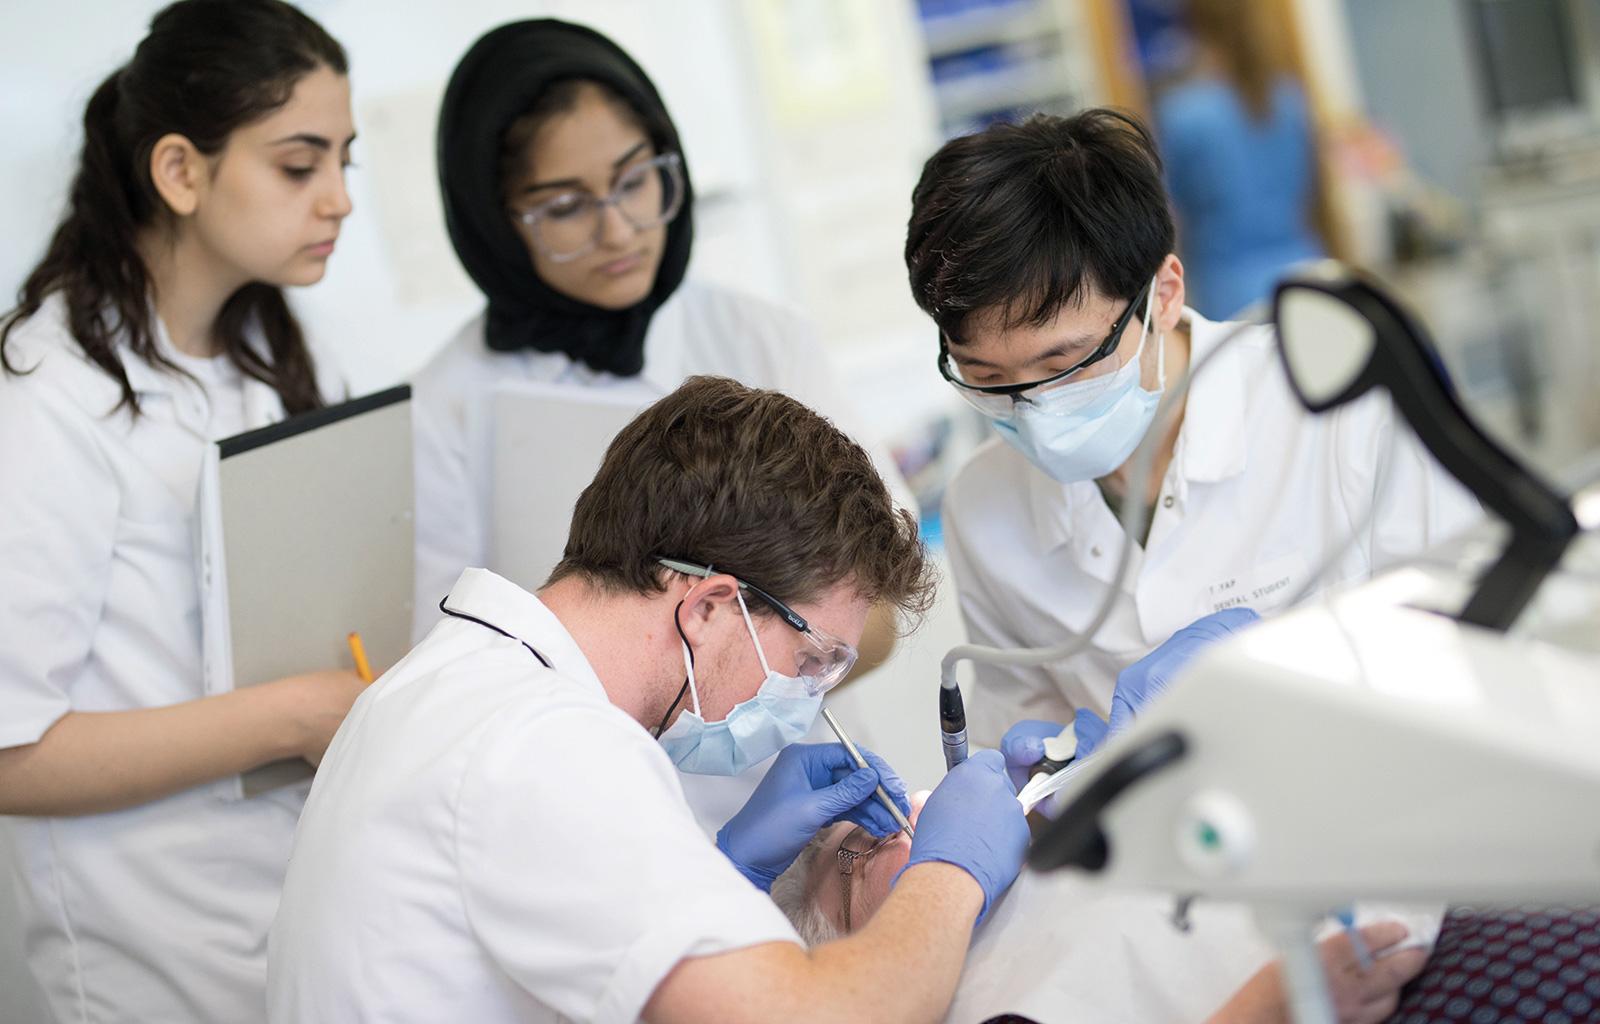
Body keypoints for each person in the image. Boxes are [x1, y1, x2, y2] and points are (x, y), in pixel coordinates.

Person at [267, 376, 1031, 1023]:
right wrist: (952, 872)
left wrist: (725, 879)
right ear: (707, 609)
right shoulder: (541, 745)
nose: (809, 698)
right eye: (810, 660)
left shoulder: (461, 685)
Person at [903, 108, 1480, 749]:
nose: (1034, 409)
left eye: (1064, 365)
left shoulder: (1343, 408)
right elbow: (1024, 731)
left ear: (1164, 294)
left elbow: (1483, 635)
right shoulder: (982, 504)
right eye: (987, 378)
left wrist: (1307, 662)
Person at [0, 2, 362, 1020]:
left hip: (310, 907)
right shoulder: (46, 393)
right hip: (155, 955)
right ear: (181, 172)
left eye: (346, 160)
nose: (338, 199)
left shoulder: (284, 350)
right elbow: (8, 751)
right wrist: (291, 715)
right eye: (300, 165)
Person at [413, 18, 911, 651]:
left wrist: (743, 702)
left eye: (634, 181)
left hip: (789, 740)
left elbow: (881, 603)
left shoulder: (763, 337)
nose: (619, 231)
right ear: (493, 219)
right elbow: (447, 657)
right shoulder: (444, 406)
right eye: (565, 207)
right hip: (569, 749)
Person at [773, 805, 1430, 1024]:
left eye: (895, 811)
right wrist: (1268, 1008)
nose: (914, 824)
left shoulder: (1050, 862)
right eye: (859, 850)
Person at [1153, 0, 1325, 320]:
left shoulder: (1184, 114)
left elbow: (1168, 216)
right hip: (1310, 278)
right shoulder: (1289, 99)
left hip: (1232, 296)